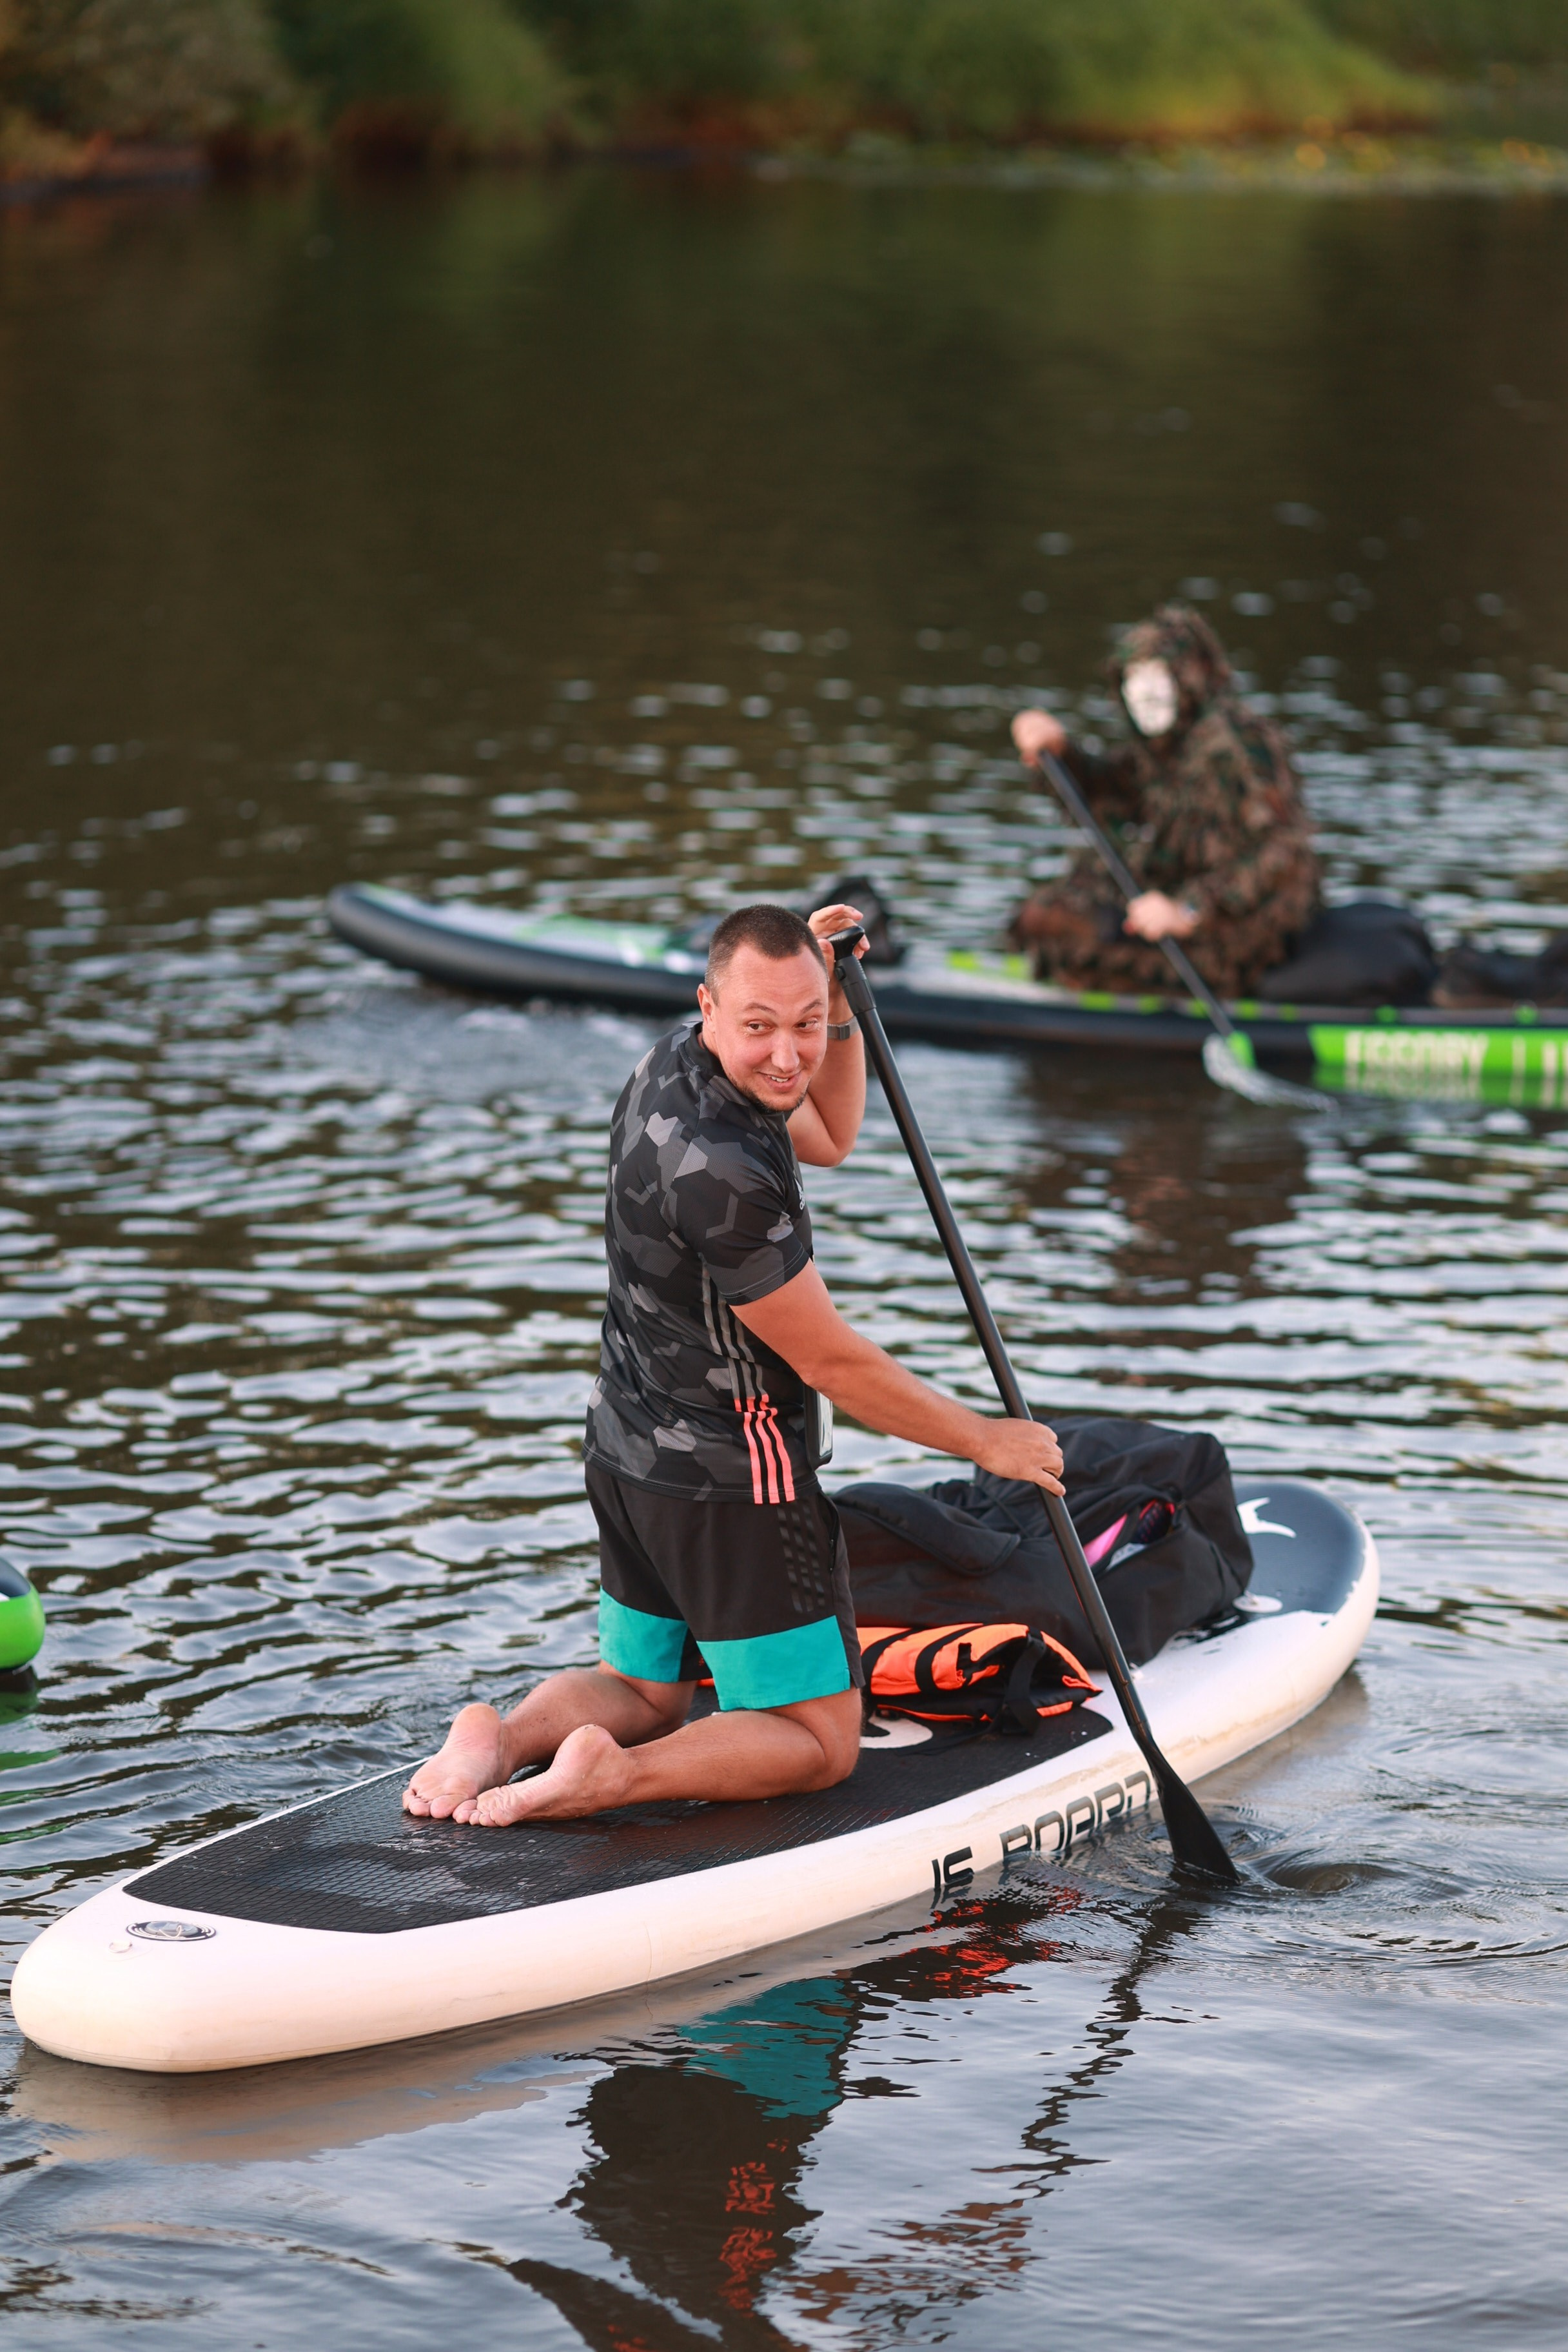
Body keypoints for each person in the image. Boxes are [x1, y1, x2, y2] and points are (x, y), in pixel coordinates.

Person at [404, 899, 1064, 1827]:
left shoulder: (670, 1064)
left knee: (645, 1691)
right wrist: (985, 1440)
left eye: (805, 1025)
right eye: (761, 1027)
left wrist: (836, 999)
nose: (788, 1056)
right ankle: (611, 1778)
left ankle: (501, 1739)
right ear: (709, 1006)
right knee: (820, 1740)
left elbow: (831, 1136)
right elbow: (832, 1361)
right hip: (732, 1480)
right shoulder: (725, 1178)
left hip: (626, 1445)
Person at [1008, 603, 1320, 1001]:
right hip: (1183, 911)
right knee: (1049, 911)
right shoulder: (1165, 750)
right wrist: (1060, 753)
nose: (1144, 692)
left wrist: (1189, 911)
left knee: (1060, 927)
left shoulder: (1236, 747)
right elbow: (1112, 792)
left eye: (1158, 676)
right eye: (1133, 678)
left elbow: (1284, 850)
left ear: (1189, 678)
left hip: (1239, 938)